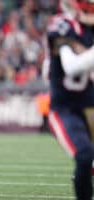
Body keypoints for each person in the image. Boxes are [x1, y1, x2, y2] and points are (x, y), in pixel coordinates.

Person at [45, 0, 94, 199]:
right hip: (65, 109)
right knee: (84, 155)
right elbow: (72, 66)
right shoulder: (63, 25)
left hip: (90, 108)